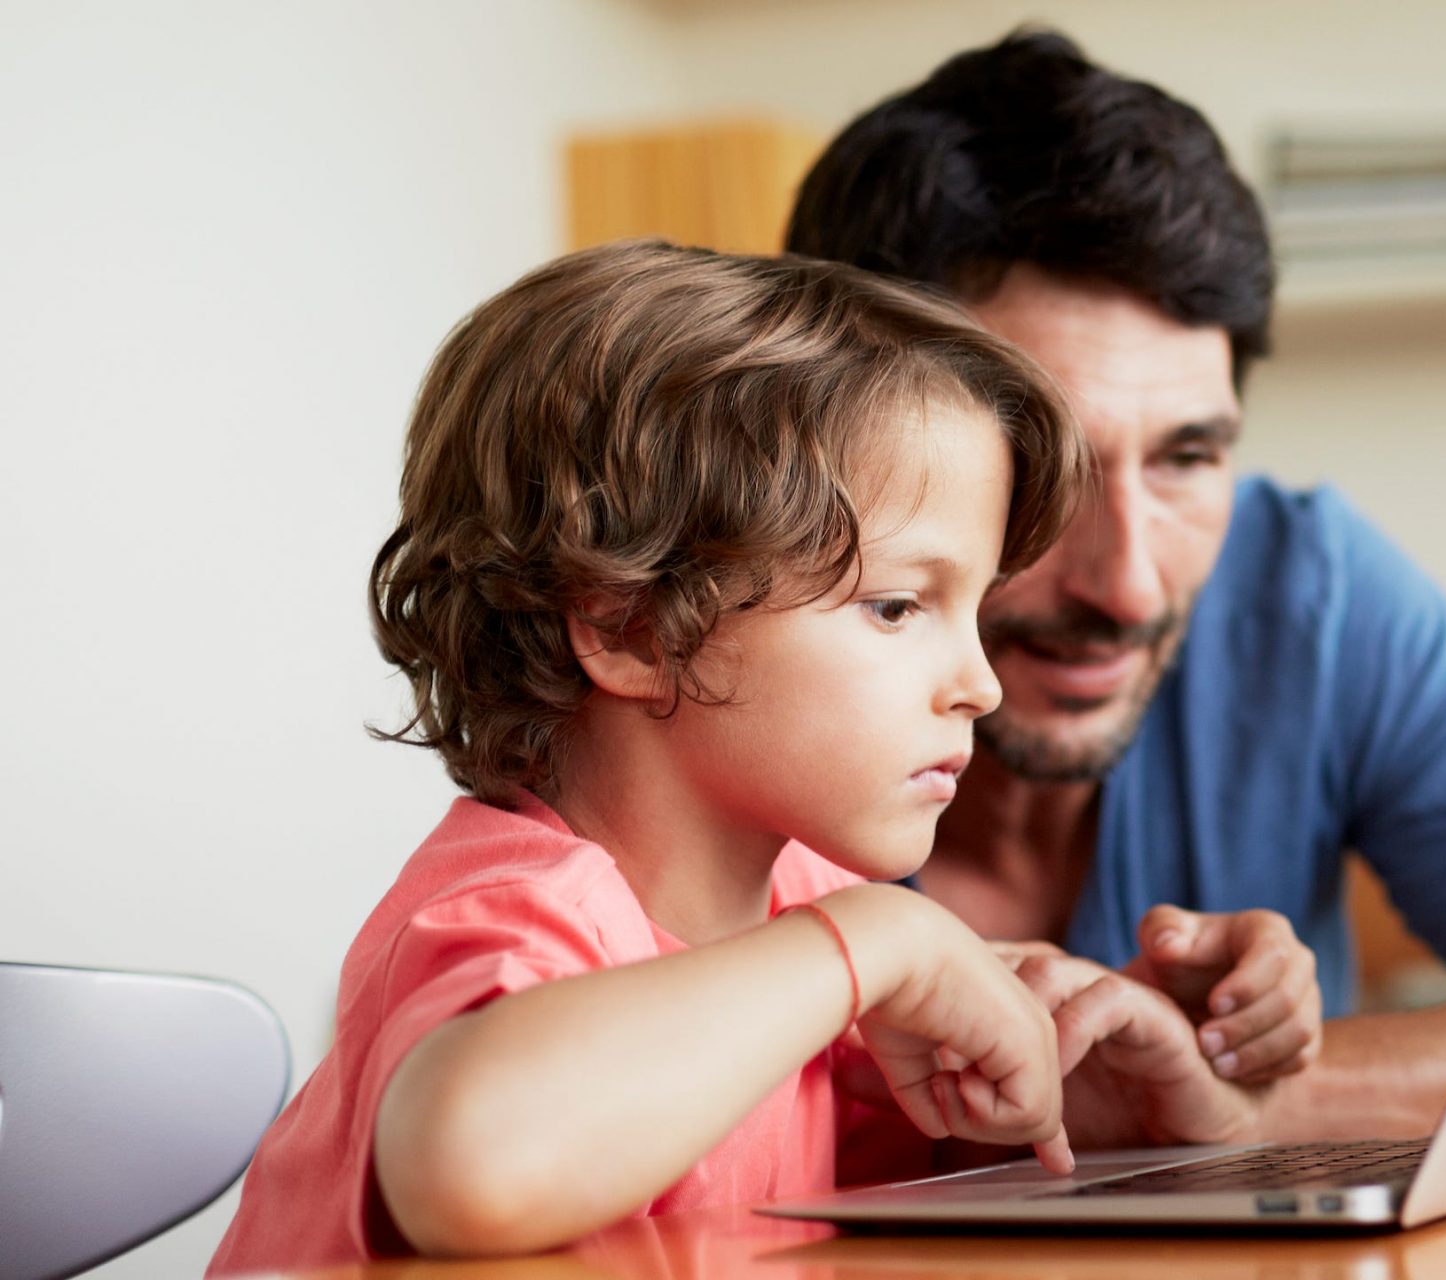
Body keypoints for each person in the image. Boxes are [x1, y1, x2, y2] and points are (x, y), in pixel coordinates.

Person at [783, 29, 1446, 1141]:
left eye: (1188, 457)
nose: (1131, 582)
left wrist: (1221, 1094)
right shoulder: (712, 660)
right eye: (1041, 469)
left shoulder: (1305, 597)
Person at [210, 242, 1287, 1270]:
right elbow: (471, 1163)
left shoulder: (797, 914)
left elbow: (861, 1181)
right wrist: (868, 941)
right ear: (632, 627)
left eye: (976, 607)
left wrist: (1078, 1104)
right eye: (899, 604)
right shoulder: (520, 909)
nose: (982, 683)